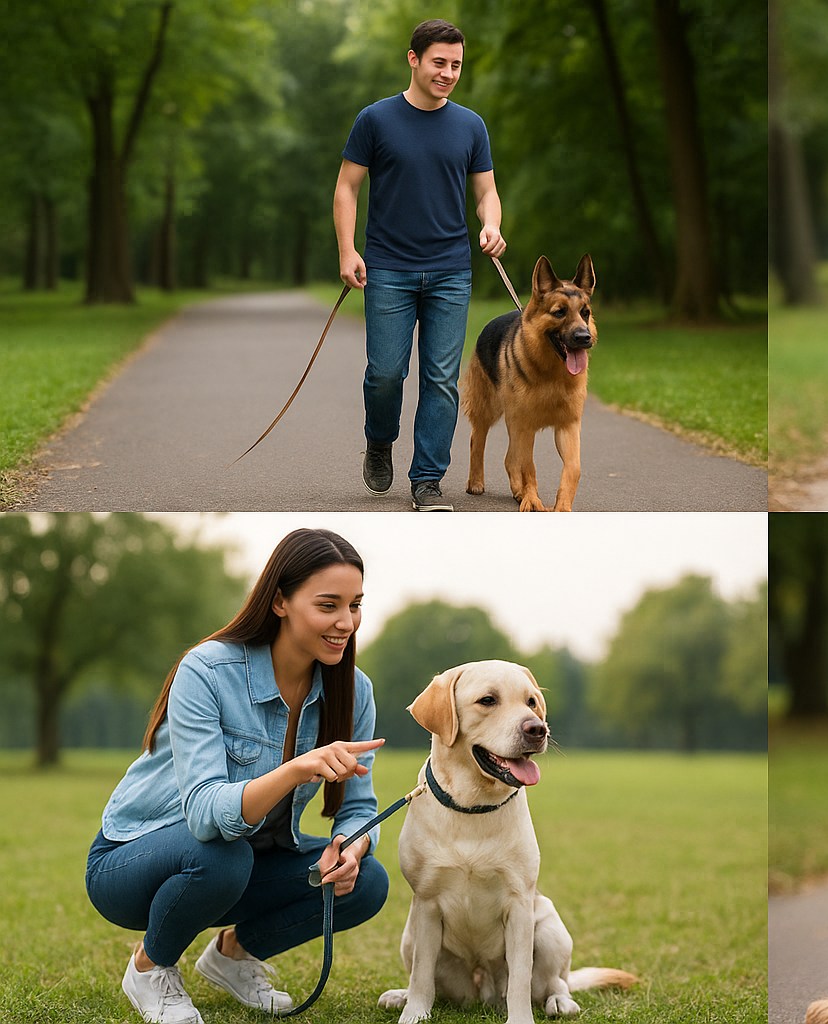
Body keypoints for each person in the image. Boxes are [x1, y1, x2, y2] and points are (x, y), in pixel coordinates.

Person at [85, 529, 388, 1024]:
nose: (345, 622)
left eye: (355, 605)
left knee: (367, 882)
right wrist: (295, 770)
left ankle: (233, 955)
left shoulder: (354, 691)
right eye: (328, 605)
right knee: (224, 854)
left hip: (246, 860)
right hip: (133, 862)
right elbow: (205, 817)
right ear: (280, 602)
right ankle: (149, 967)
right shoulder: (206, 670)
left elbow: (357, 807)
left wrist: (350, 848)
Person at [334, 18, 507, 512]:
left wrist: (491, 225)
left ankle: (428, 481)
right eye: (439, 62)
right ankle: (380, 439)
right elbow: (347, 187)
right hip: (388, 268)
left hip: (451, 269)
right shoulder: (376, 120)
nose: (448, 73)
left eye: (456, 64)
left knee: (440, 379)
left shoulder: (471, 125)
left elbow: (486, 192)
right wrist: (348, 250)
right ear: (413, 59)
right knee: (386, 373)